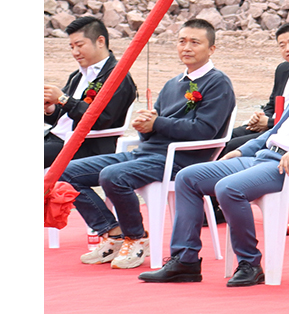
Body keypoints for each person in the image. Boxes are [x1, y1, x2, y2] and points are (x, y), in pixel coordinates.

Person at [138, 20, 289, 286]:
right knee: (188, 177)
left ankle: (249, 263)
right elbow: (276, 129)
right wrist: (242, 150)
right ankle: (185, 261)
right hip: (266, 158)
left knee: (229, 188)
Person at [68, 19, 236, 269]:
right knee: (67, 173)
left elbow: (204, 130)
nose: (186, 47)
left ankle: (136, 238)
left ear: (211, 48)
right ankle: (112, 232)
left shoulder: (218, 83)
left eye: (195, 42)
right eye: (182, 41)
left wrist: (156, 123)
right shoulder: (172, 84)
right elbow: (155, 127)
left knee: (113, 175)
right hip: (147, 154)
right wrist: (144, 126)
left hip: (180, 159)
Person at [45, 17, 139, 167]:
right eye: (71, 47)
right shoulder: (78, 76)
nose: (75, 52)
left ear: (100, 42)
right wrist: (50, 108)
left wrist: (63, 99)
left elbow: (101, 120)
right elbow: (65, 117)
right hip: (57, 139)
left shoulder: (118, 77)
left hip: (85, 146)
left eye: (79, 45)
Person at [222, 22, 289, 155]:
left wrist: (269, 123)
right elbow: (272, 103)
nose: (288, 49)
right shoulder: (283, 69)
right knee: (227, 136)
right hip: (270, 124)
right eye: (282, 45)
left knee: (234, 145)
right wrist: (261, 117)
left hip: (288, 131)